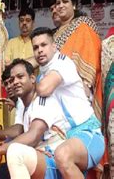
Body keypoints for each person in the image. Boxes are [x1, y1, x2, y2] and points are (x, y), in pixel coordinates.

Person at [31, 27, 104, 177]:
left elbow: (44, 88)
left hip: (86, 132)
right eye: (36, 47)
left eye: (44, 45)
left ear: (54, 46)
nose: (39, 50)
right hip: (63, 139)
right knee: (31, 158)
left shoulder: (63, 63)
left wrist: (27, 79)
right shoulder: (40, 76)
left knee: (62, 155)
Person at [52, 0, 103, 123]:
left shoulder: (83, 25)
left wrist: (85, 84)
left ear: (73, 5)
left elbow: (91, 53)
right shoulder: (54, 34)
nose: (61, 6)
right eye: (58, 3)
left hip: (78, 91)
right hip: (55, 91)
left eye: (65, 1)